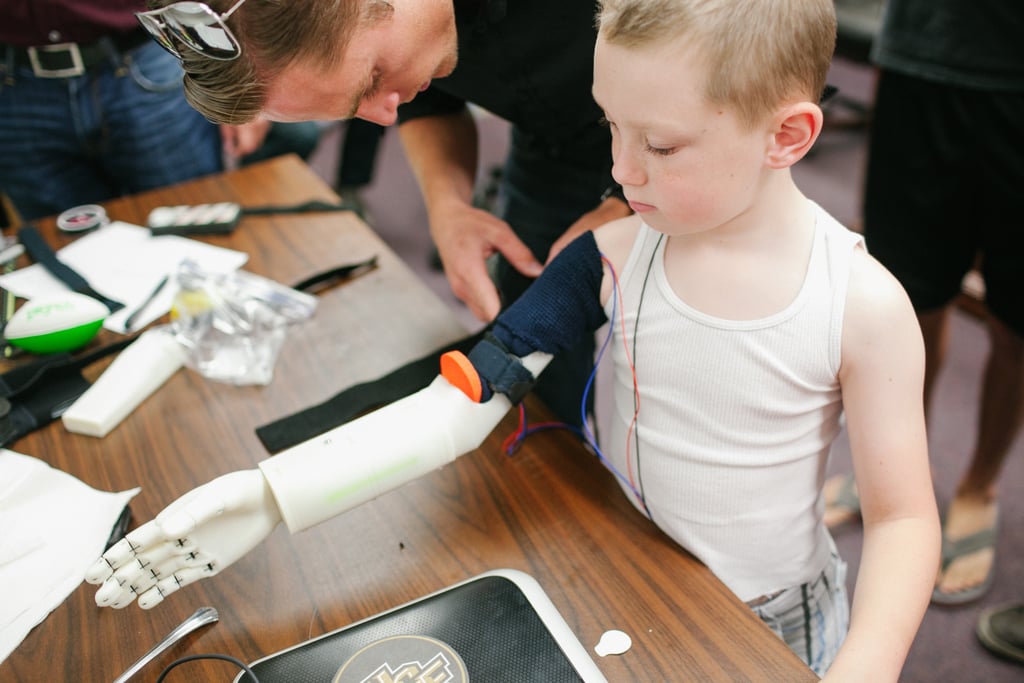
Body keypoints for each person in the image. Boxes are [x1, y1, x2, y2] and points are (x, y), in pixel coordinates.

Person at [87, 1, 940, 677]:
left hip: (775, 621)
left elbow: (901, 519)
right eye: (609, 126)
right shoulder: (604, 256)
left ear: (788, 136)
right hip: (633, 567)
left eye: (660, 144)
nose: (622, 172)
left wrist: (864, 667)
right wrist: (270, 495)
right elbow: (455, 410)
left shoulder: (862, 304)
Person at [132, 0, 633, 428]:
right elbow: (426, 98)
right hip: (554, 144)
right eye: (355, 106)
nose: (384, 116)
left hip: (699, 140)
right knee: (537, 372)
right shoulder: (406, 33)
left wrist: (629, 204)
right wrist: (448, 205)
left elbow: (713, 86)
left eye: (373, 78)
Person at [824, 0, 1024, 606]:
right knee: (905, 302)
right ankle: (891, 472)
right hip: (923, 60)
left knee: (1017, 322)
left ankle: (978, 489)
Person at [0, 0, 304, 223]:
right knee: (67, 257)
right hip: (15, 86)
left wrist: (243, 71)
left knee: (195, 233)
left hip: (145, 61)